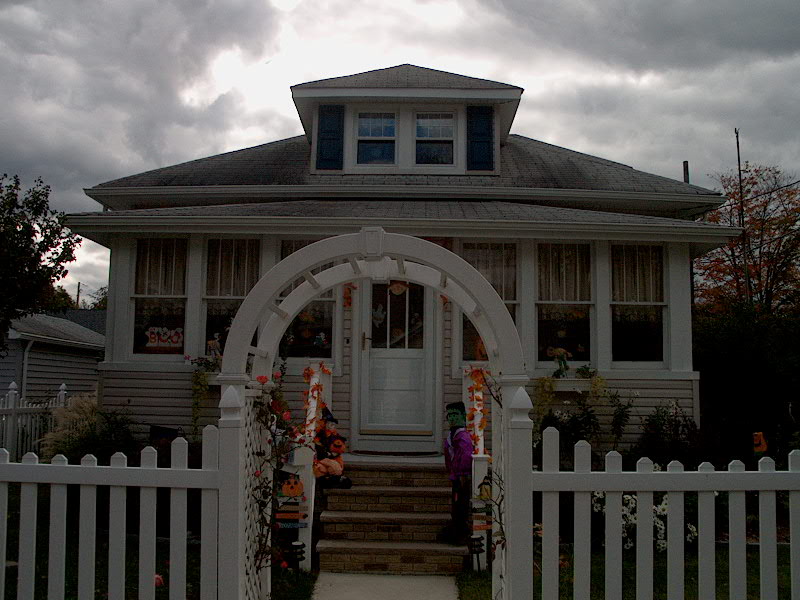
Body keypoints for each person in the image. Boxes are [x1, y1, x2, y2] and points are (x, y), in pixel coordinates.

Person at [443, 401, 473, 544]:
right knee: (456, 505)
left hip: (462, 477)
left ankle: (460, 534)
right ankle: (455, 531)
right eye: (450, 415)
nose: (452, 418)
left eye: (455, 414)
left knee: (461, 506)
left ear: (463, 416)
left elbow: (466, 456)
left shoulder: (463, 438)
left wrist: (462, 474)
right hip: (455, 477)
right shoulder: (451, 437)